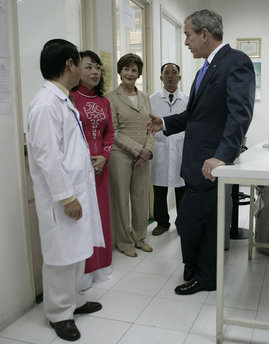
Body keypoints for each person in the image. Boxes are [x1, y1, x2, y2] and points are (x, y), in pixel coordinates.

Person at [147, 9, 255, 295]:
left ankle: (203, 273)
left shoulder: (236, 62)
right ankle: (201, 270)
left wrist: (222, 155)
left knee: (193, 221)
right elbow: (195, 117)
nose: (186, 42)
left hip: (211, 162)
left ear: (204, 34)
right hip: (195, 162)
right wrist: (165, 122)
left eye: (188, 34)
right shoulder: (203, 70)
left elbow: (240, 115)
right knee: (199, 223)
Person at [26, 39, 104, 341]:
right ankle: (59, 313)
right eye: (80, 64)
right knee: (61, 255)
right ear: (70, 64)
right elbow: (48, 157)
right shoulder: (46, 104)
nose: (84, 71)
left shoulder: (63, 98)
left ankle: (73, 300)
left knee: (76, 251)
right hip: (63, 197)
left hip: (76, 190)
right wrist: (67, 197)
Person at [71, 50, 114, 290]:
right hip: (81, 168)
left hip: (101, 167)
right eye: (88, 67)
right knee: (85, 220)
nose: (95, 71)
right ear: (76, 70)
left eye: (97, 67)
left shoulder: (104, 101)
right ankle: (85, 272)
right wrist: (88, 159)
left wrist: (104, 157)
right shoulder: (70, 99)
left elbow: (110, 133)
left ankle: (102, 267)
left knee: (102, 217)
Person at [106, 53, 154, 257]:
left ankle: (140, 238)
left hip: (143, 155)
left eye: (134, 70)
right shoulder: (111, 98)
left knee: (140, 197)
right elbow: (113, 131)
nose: (130, 73)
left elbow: (151, 127)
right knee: (121, 199)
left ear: (139, 74)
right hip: (121, 155)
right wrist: (137, 150)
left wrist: (148, 151)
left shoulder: (144, 97)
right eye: (126, 69)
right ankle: (124, 241)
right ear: (120, 71)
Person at [149, 63, 188, 236]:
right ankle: (162, 222)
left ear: (179, 77)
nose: (170, 76)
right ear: (161, 77)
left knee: (182, 190)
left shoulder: (188, 100)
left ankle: (182, 223)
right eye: (167, 73)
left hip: (181, 150)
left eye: (174, 73)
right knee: (159, 190)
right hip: (160, 148)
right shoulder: (152, 100)